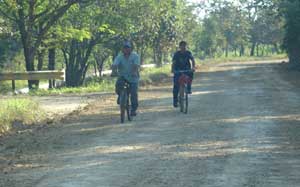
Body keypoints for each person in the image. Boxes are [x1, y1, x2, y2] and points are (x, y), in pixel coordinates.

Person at [111, 40, 140, 116]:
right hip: (123, 76)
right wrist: (113, 71)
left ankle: (133, 109)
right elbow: (115, 65)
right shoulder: (119, 56)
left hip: (133, 77)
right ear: (122, 49)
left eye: (128, 48)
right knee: (118, 85)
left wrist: (134, 72)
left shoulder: (135, 56)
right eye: (124, 48)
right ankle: (120, 96)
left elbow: (136, 65)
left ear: (131, 48)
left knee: (133, 93)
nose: (126, 49)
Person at [171, 41, 196, 108]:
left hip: (186, 69)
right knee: (176, 86)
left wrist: (193, 67)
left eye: (184, 46)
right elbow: (173, 62)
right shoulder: (176, 54)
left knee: (191, 74)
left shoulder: (188, 53)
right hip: (178, 70)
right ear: (179, 47)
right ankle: (175, 100)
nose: (183, 47)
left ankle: (189, 88)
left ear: (186, 46)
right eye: (182, 46)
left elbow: (192, 60)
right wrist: (172, 70)